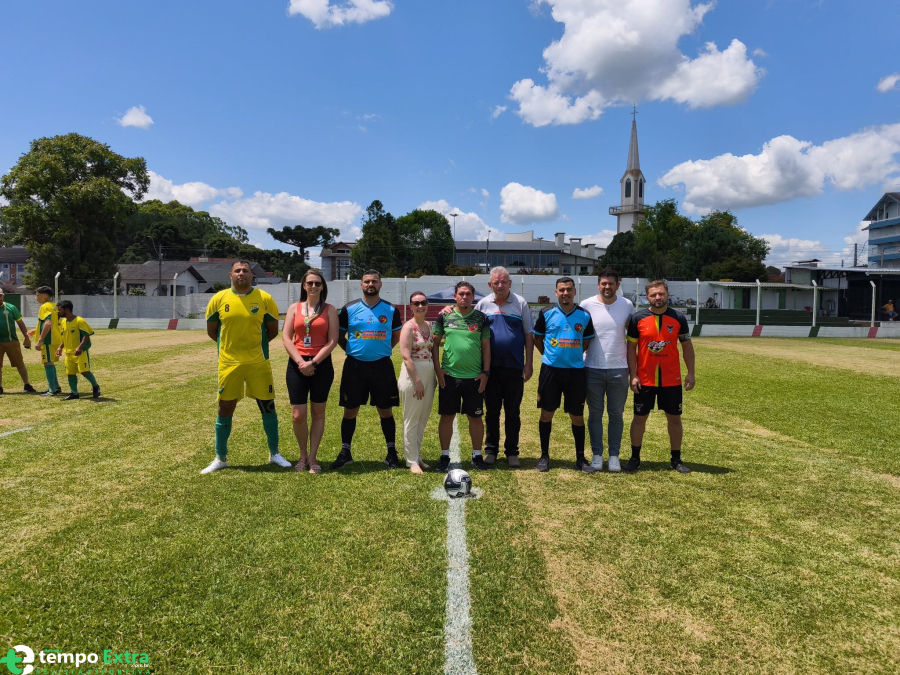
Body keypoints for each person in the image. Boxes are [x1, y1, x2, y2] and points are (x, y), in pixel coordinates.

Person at [200, 260, 291, 474]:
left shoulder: (264, 298)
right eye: (237, 271)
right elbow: (213, 331)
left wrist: (253, 347)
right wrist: (230, 349)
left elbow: (272, 330)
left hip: (258, 362)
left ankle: (274, 454)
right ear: (230, 275)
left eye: (245, 271)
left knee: (267, 406)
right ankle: (220, 457)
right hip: (229, 363)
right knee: (225, 407)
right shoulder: (218, 299)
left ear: (252, 275)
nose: (241, 273)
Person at [331, 270, 402, 470]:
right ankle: (345, 452)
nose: (370, 284)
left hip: (382, 366)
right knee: (350, 410)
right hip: (354, 366)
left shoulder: (391, 309)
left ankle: (391, 452)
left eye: (374, 281)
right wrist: (352, 351)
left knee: (385, 410)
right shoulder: (348, 309)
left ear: (380, 285)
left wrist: (382, 350)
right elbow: (339, 337)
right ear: (361, 285)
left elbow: (396, 336)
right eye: (367, 281)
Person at [625, 279, 695, 474]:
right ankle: (635, 458)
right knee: (639, 419)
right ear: (647, 297)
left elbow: (687, 346)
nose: (658, 297)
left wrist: (691, 373)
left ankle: (676, 459)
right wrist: (633, 374)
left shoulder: (678, 318)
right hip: (644, 379)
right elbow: (631, 348)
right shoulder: (637, 318)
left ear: (667, 295)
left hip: (671, 380)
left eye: (661, 294)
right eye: (653, 295)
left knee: (674, 419)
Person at [533, 277, 597, 473]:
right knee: (546, 413)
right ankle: (544, 456)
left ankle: (580, 458)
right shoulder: (546, 313)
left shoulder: (584, 315)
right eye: (561, 290)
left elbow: (586, 341)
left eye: (569, 289)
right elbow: (537, 339)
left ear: (574, 292)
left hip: (575, 372)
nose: (565, 293)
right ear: (556, 292)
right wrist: (551, 356)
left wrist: (571, 356)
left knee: (577, 416)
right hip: (550, 371)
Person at [476, 267, 534, 468]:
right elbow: (473, 331)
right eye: (496, 282)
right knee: (491, 412)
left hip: (514, 368)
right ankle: (491, 451)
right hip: (489, 369)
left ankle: (512, 452)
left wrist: (528, 363)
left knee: (512, 412)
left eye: (504, 282)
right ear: (490, 285)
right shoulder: (483, 304)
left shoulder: (520, 303)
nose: (500, 285)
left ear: (510, 283)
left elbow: (528, 334)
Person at [282, 269, 338, 474]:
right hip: (297, 365)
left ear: (322, 287)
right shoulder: (294, 308)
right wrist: (301, 362)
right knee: (298, 415)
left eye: (317, 283)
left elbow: (332, 340)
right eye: (310, 283)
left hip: (321, 365)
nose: (313, 286)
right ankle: (302, 455)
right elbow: (286, 338)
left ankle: (313, 458)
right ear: (304, 286)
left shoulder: (330, 310)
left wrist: (313, 363)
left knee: (317, 412)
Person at [432, 281, 491, 472]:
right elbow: (434, 344)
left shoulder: (481, 318)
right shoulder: (445, 316)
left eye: (468, 294)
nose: (464, 297)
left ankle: (477, 456)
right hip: (449, 376)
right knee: (446, 417)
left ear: (473, 297)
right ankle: (444, 456)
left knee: (475, 418)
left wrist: (486, 373)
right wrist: (438, 369)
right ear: (455, 296)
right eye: (461, 294)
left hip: (474, 378)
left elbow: (486, 347)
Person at [581, 267, 634, 472]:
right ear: (598, 285)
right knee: (595, 413)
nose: (607, 287)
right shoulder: (586, 305)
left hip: (619, 368)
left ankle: (614, 456)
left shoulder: (627, 305)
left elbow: (632, 335)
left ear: (617, 285)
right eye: (604, 283)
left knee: (616, 414)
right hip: (592, 368)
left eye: (611, 283)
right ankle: (597, 455)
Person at [398, 291, 436, 474]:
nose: (420, 306)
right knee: (412, 418)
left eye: (423, 302)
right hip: (413, 374)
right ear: (411, 306)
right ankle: (411, 460)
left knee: (422, 418)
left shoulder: (428, 325)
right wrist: (417, 381)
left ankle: (417, 455)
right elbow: (406, 356)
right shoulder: (408, 327)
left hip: (429, 372)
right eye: (416, 303)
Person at [55, 300, 101, 400]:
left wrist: (80, 347)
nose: (58, 312)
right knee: (70, 373)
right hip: (68, 353)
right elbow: (65, 337)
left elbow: (86, 335)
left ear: (67, 309)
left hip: (80, 353)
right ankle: (74, 393)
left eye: (60, 309)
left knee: (84, 372)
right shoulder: (63, 322)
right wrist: (60, 347)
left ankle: (95, 386)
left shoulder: (79, 321)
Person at [0, 289, 37, 395]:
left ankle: (27, 384)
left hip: (12, 342)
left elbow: (20, 323)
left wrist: (26, 337)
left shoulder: (11, 308)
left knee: (19, 363)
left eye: (0, 295)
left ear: (3, 296)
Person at [32, 285, 62, 396]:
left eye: (37, 295)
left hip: (49, 340)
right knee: (50, 362)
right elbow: (53, 322)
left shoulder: (44, 306)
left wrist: (40, 340)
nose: (36, 298)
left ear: (45, 295)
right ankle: (56, 387)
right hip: (56, 338)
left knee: (47, 362)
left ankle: (52, 390)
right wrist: (35, 331)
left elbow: (48, 323)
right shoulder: (54, 306)